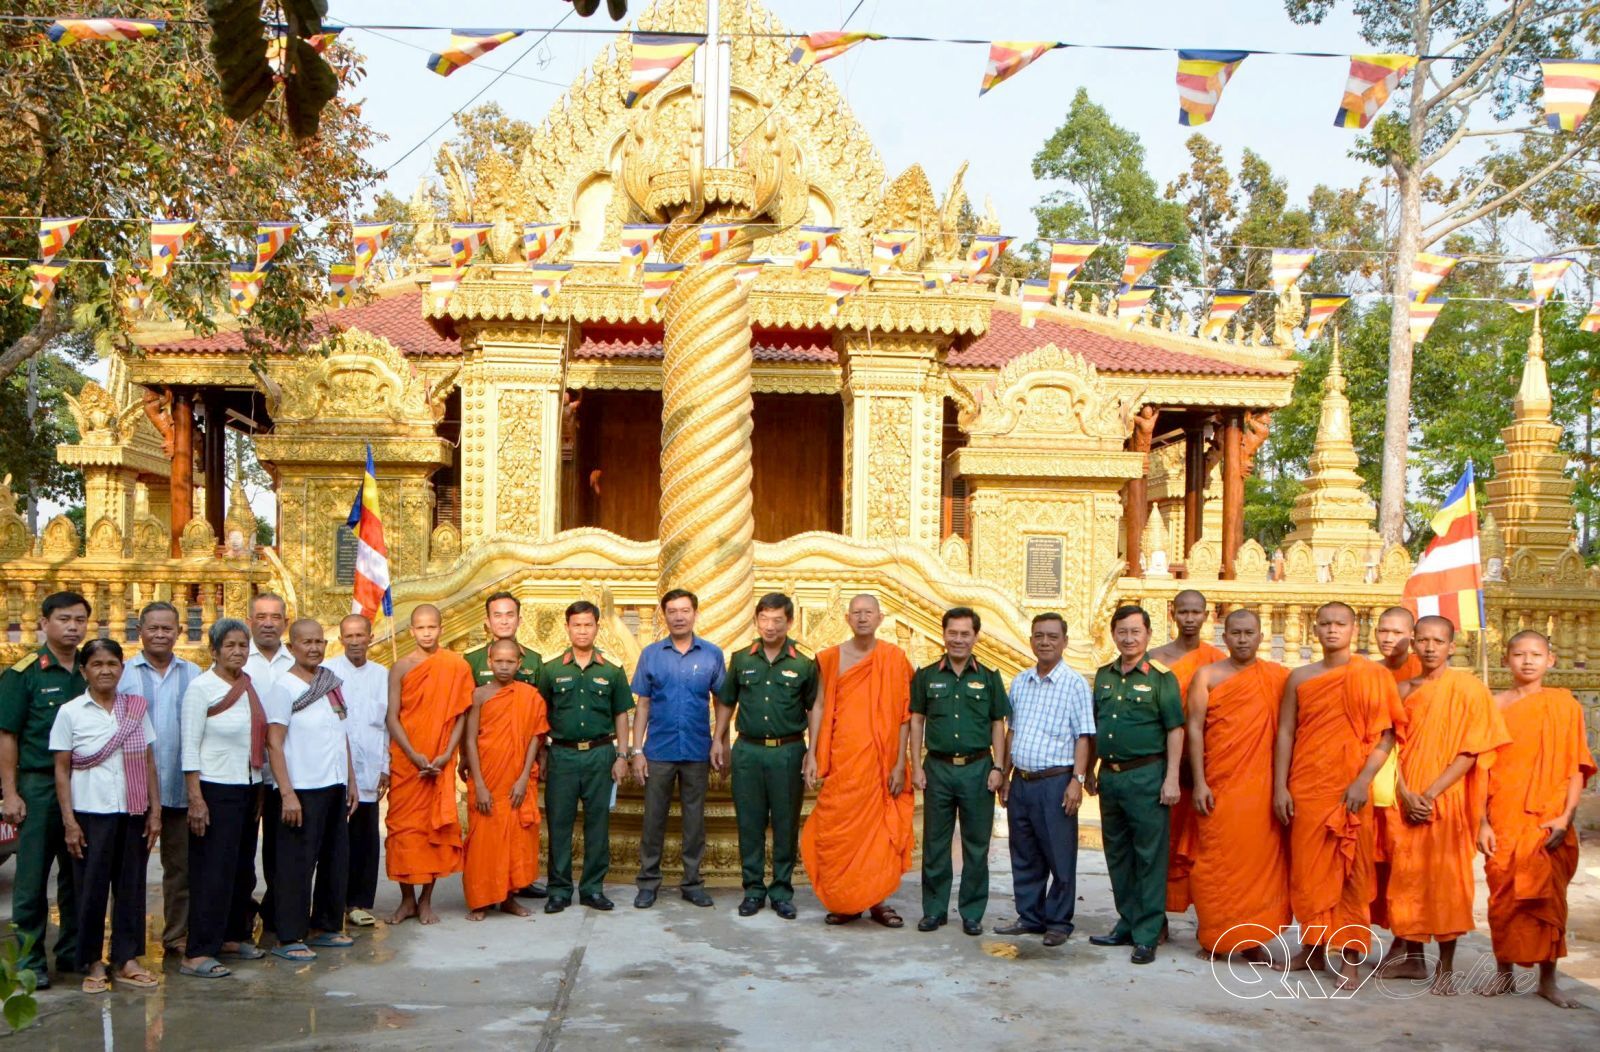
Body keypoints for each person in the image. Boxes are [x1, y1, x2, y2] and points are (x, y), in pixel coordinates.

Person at [1272, 601, 1403, 990]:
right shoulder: (1299, 677)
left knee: (1352, 873)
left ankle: (1350, 958)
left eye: (1340, 624)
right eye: (1325, 623)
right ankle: (1312, 948)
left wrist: (1363, 780)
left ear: (1353, 629)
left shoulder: (1373, 676)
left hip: (1352, 788)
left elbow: (1387, 735)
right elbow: (1286, 732)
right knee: (1309, 872)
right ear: (1314, 629)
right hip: (1307, 785)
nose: (1332, 629)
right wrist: (1280, 785)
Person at [1378, 615, 1510, 994]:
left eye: (1438, 641)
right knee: (1408, 878)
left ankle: (1446, 970)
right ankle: (1413, 957)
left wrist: (1431, 794)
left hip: (1447, 799)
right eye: (1423, 640)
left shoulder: (1468, 689)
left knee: (1447, 882)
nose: (1430, 647)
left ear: (1452, 646)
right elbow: (1390, 748)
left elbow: (1471, 751)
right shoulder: (1403, 689)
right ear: (1413, 644)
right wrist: (1405, 793)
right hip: (1405, 800)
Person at [1479, 631, 1595, 1009]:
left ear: (1551, 660)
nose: (1527, 661)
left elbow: (1576, 767)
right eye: (1519, 654)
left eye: (1536, 654)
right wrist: (1482, 822)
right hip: (1505, 815)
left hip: (1550, 818)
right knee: (1502, 896)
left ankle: (1548, 980)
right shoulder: (1494, 706)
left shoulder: (1564, 706)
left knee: (1549, 900)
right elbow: (1481, 770)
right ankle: (1504, 973)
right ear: (1505, 659)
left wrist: (1566, 817)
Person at [49, 638, 160, 993]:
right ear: (84, 671)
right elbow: (62, 770)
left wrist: (155, 811)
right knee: (90, 889)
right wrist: (69, 822)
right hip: (89, 814)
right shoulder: (70, 712)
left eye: (112, 664)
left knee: (131, 888)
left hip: (132, 811)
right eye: (97, 664)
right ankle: (93, 962)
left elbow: (148, 761)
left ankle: (127, 959)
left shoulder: (135, 709)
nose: (105, 671)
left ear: (121, 669)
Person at [799, 594, 914, 928]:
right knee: (837, 830)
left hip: (881, 763)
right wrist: (812, 753)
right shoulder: (830, 659)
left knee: (878, 835)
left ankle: (876, 900)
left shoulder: (894, 658)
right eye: (857, 613)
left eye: (869, 612)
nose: (863, 618)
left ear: (880, 618)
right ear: (847, 619)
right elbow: (819, 706)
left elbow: (905, 715)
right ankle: (846, 900)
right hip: (844, 760)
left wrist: (899, 763)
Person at [1185, 609, 1290, 963]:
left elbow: (1289, 730)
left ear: (1261, 636)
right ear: (1224, 636)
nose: (1242, 639)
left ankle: (1251, 939)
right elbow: (1194, 728)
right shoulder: (1207, 676)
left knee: (1258, 865)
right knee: (1216, 862)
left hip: (1261, 787)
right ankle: (1216, 937)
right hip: (1219, 784)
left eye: (1249, 633)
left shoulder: (1278, 677)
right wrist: (1199, 782)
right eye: (1236, 633)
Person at [0, 590, 90, 987]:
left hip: (84, 784)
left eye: (79, 620)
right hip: (38, 785)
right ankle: (29, 961)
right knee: (32, 877)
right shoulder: (24, 674)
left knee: (78, 873)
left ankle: (72, 952)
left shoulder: (90, 669)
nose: (73, 627)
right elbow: (7, 736)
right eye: (64, 619)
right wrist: (10, 793)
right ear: (44, 623)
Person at [713, 594, 819, 920]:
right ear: (756, 621)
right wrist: (719, 740)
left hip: (788, 751)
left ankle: (782, 891)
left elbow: (814, 708)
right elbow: (727, 702)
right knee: (750, 822)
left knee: (785, 823)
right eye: (764, 619)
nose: (770, 626)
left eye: (777, 620)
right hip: (748, 750)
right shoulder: (741, 659)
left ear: (790, 622)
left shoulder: (804, 663)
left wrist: (813, 752)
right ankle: (754, 890)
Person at [1087, 606, 1183, 965]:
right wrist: (1091, 769)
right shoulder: (1104, 676)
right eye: (1122, 632)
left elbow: (1175, 729)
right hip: (1111, 778)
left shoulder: (1160, 678)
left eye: (1135, 632)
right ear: (1113, 634)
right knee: (1117, 854)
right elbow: (1095, 726)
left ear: (1148, 635)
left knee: (1149, 857)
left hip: (1147, 776)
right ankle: (1126, 922)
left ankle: (1147, 933)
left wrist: (1171, 778)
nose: (1128, 639)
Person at [995, 612, 1093, 947]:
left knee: (1059, 855)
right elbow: (1012, 731)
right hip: (1022, 781)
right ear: (1031, 640)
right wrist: (1005, 774)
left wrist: (1077, 780)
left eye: (1052, 636)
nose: (1045, 642)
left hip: (1056, 782)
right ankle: (1030, 916)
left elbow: (1083, 736)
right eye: (1039, 636)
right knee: (1024, 853)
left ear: (1065, 641)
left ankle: (1059, 922)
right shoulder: (1021, 682)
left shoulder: (1075, 684)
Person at [910, 607, 1009, 937]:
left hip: (977, 769)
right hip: (937, 769)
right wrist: (915, 765)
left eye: (965, 634)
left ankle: (972, 911)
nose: (958, 639)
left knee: (976, 846)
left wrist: (998, 766)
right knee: (935, 844)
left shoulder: (989, 677)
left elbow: (998, 723)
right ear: (943, 634)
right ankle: (934, 910)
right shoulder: (927, 676)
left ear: (976, 637)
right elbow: (917, 721)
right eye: (952, 633)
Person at [179, 619, 268, 979]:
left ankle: (232, 936)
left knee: (241, 870)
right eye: (229, 645)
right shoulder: (201, 688)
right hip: (214, 789)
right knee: (212, 872)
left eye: (243, 645)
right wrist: (195, 799)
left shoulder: (248, 685)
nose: (237, 652)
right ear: (214, 651)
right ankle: (198, 951)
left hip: (247, 786)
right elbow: (189, 747)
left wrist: (258, 787)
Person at [263, 619, 356, 962]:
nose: (314, 648)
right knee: (295, 865)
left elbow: (341, 734)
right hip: (301, 788)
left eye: (319, 641)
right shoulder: (283, 687)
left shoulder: (330, 683)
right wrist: (287, 793)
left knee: (334, 858)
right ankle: (288, 935)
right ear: (292, 647)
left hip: (333, 784)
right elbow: (274, 742)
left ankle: (325, 926)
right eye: (307, 642)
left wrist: (351, 781)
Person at [629, 589, 725, 909]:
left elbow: (721, 702)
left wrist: (720, 741)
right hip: (658, 750)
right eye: (672, 611)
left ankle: (693, 883)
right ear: (664, 616)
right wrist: (637, 751)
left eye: (685, 610)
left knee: (694, 820)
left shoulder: (711, 654)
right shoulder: (651, 655)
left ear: (695, 614)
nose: (679, 617)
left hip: (697, 749)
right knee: (653, 819)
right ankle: (648, 882)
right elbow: (643, 705)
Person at [536, 600, 633, 914]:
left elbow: (621, 714)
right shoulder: (551, 669)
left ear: (597, 628)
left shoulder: (611, 669)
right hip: (562, 755)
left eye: (588, 625)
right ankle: (559, 890)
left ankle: (593, 888)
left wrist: (622, 755)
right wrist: (542, 754)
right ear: (567, 628)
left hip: (600, 754)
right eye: (576, 625)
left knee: (598, 825)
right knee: (559, 824)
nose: (582, 631)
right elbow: (540, 715)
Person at [385, 604, 473, 925]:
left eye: (431, 627)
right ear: (411, 631)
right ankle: (406, 900)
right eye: (420, 628)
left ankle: (425, 901)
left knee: (434, 830)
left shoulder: (456, 665)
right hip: (407, 762)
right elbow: (392, 717)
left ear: (441, 629)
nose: (426, 633)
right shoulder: (401, 667)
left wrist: (448, 754)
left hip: (439, 761)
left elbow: (461, 714)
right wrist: (412, 754)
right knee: (403, 831)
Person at [120, 601, 199, 955]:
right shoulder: (123, 674)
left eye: (168, 628)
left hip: (181, 788)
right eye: (153, 628)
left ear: (179, 632)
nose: (160, 635)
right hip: (135, 790)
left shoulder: (193, 673)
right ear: (140, 631)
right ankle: (129, 944)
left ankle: (176, 936)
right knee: (130, 871)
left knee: (180, 869)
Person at [1147, 589, 1223, 923]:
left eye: (1196, 612)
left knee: (1204, 843)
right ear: (1172, 614)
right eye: (1183, 612)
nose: (1189, 619)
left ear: (1207, 615)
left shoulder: (1218, 660)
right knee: (1161, 841)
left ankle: (1209, 917)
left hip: (1205, 763)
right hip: (1161, 761)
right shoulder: (1155, 659)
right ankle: (1156, 918)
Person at [463, 640, 549, 921]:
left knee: (514, 840)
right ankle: (480, 901)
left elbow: (534, 739)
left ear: (519, 664)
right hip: (487, 776)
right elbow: (470, 740)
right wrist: (480, 784)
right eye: (498, 661)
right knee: (483, 841)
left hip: (515, 779)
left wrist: (524, 777)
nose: (503, 666)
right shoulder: (478, 696)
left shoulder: (529, 696)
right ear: (489, 662)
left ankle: (509, 898)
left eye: (510, 662)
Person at [323, 615, 389, 928]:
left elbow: (387, 724)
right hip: (335, 770)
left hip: (371, 769)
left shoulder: (382, 675)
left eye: (360, 635)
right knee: (335, 839)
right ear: (341, 639)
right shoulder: (328, 673)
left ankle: (359, 903)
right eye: (348, 636)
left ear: (370, 637)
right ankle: (332, 902)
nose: (354, 641)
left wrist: (386, 766)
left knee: (365, 839)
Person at [244, 592, 292, 933]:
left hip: (285, 773)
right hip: (244, 771)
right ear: (250, 622)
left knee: (282, 848)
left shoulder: (296, 662)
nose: (268, 623)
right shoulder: (237, 658)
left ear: (285, 623)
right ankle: (241, 916)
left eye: (275, 617)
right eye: (261, 617)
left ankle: (278, 914)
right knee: (242, 848)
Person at [1370, 605, 1418, 935]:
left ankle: (1405, 941)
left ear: (1411, 637)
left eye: (1397, 633)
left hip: (1412, 780)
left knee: (1405, 864)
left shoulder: (1423, 676)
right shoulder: (1368, 673)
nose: (1389, 638)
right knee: (1368, 861)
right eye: (1383, 631)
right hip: (1372, 778)